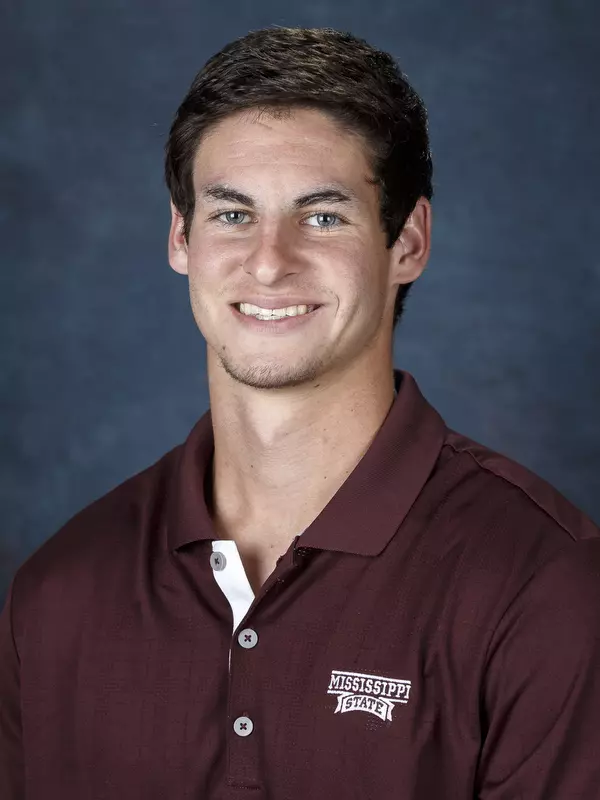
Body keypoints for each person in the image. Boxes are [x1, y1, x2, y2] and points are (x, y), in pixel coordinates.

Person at [1, 25, 599, 799]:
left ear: (408, 243)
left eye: (323, 216)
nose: (270, 260)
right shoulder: (58, 591)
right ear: (181, 237)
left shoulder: (547, 585)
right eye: (231, 213)